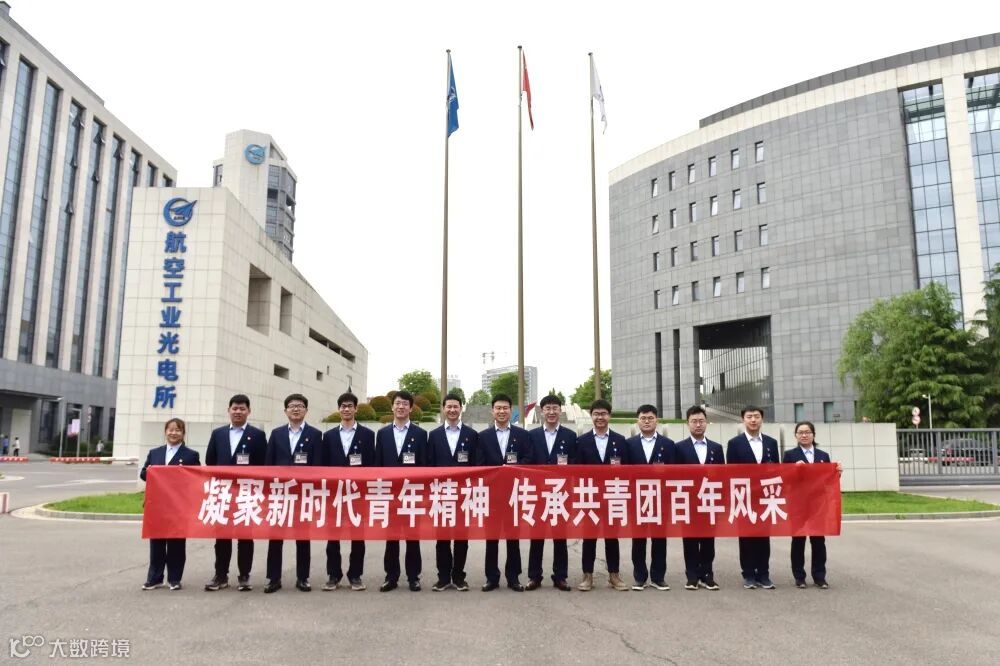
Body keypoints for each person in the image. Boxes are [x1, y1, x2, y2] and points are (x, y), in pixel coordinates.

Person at [204, 394, 268, 592]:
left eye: (242, 409)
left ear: (249, 411)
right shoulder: (218, 434)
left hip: (246, 493)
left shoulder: (257, 435)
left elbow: (263, 465)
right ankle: (220, 575)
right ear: (229, 410)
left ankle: (244, 576)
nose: (238, 412)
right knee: (222, 536)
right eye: (235, 408)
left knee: (245, 537)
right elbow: (210, 461)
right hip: (223, 493)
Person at [264, 393, 323, 593]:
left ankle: (303, 578)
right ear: (285, 411)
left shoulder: (315, 435)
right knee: (275, 538)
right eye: (291, 406)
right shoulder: (276, 434)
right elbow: (268, 464)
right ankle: (273, 578)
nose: (295, 409)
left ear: (306, 410)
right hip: (279, 494)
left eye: (299, 406)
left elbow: (318, 466)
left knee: (303, 538)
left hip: (303, 495)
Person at [320, 391, 376, 591]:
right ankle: (333, 575)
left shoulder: (368, 435)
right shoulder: (328, 436)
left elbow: (371, 465)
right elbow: (323, 466)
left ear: (356, 409)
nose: (346, 409)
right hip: (334, 494)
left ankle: (355, 575)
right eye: (343, 406)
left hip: (358, 494)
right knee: (332, 537)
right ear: (339, 409)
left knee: (358, 537)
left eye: (350, 406)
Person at [476, 393, 531, 592]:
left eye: (505, 408)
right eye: (498, 408)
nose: (501, 411)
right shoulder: (483, 437)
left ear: (511, 410)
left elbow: (528, 459)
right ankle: (492, 578)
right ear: (492, 411)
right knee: (491, 539)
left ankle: (513, 577)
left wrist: (512, 470)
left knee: (513, 539)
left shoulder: (522, 435)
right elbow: (479, 464)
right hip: (491, 496)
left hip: (514, 495)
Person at [375, 390, 428, 592]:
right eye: (397, 403)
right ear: (392, 407)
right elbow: (377, 465)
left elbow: (424, 465)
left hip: (412, 493)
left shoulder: (420, 434)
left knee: (412, 537)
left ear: (411, 408)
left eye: (405, 403)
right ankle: (391, 576)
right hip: (389, 493)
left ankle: (413, 577)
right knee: (391, 538)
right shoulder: (383, 434)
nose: (401, 407)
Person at [427, 392, 479, 592]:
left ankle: (458, 577)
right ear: (443, 409)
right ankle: (443, 577)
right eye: (448, 406)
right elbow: (429, 466)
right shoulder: (434, 435)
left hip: (463, 496)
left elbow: (476, 466)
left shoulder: (471, 435)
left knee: (461, 538)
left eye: (455, 406)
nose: (452, 410)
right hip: (440, 494)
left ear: (461, 408)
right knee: (442, 538)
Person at [140, 418, 200, 590]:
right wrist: (151, 472)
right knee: (156, 543)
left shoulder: (191, 455)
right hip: (157, 505)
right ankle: (155, 578)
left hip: (178, 506)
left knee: (176, 543)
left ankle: (174, 578)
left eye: (178, 430)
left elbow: (196, 478)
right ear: (165, 432)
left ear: (183, 433)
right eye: (170, 429)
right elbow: (144, 474)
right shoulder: (155, 453)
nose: (174, 433)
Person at [576, 399, 630, 591]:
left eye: (603, 414)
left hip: (612, 495)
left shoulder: (620, 440)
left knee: (612, 537)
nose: (600, 417)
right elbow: (576, 471)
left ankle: (614, 575)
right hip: (590, 495)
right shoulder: (581, 441)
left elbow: (627, 470)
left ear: (609, 415)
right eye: (596, 414)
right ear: (591, 416)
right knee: (589, 537)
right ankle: (587, 575)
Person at [725, 405, 780, 590]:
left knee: (764, 537)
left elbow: (777, 470)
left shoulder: (771, 443)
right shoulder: (734, 443)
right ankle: (748, 574)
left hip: (765, 497)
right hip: (744, 497)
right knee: (746, 537)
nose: (753, 420)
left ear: (762, 419)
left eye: (757, 416)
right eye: (749, 416)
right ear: (743, 420)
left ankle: (764, 574)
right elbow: (730, 473)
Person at [526, 394, 577, 591]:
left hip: (560, 494)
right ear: (542, 411)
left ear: (560, 411)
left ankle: (560, 577)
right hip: (538, 494)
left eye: (555, 408)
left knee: (560, 538)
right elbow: (528, 461)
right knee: (536, 537)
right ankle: (534, 576)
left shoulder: (570, 436)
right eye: (548, 408)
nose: (551, 412)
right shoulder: (532, 435)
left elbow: (575, 464)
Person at [783, 421, 842, 590]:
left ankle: (819, 576)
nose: (804, 435)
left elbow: (828, 481)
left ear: (813, 435)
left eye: (807, 432)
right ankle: (799, 577)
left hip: (818, 505)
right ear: (796, 436)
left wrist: (837, 473)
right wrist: (794, 470)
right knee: (798, 541)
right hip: (798, 504)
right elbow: (785, 479)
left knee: (818, 541)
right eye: (800, 432)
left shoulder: (823, 455)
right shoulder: (790, 455)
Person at [674, 405, 725, 591]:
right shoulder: (679, 448)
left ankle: (707, 575)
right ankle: (692, 576)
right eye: (694, 421)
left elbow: (723, 476)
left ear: (706, 423)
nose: (698, 425)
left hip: (710, 501)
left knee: (708, 541)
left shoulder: (716, 448)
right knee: (690, 540)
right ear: (687, 424)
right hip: (688, 501)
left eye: (701, 421)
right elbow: (674, 476)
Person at [625, 404, 675, 591]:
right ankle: (639, 577)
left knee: (659, 539)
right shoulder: (628, 444)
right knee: (638, 539)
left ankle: (658, 577)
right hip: (637, 499)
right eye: (643, 418)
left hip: (660, 499)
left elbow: (674, 473)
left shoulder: (668, 444)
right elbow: (623, 472)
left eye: (650, 418)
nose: (646, 421)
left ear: (657, 421)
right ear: (637, 421)